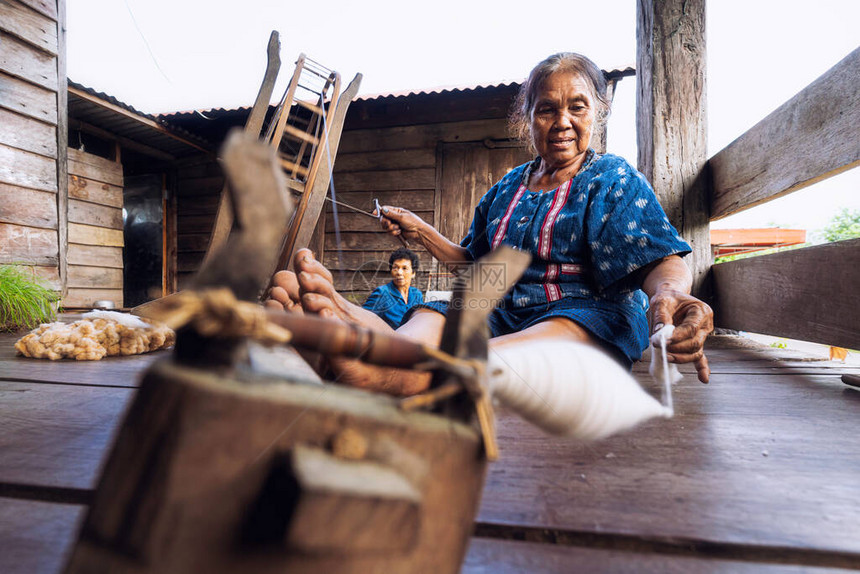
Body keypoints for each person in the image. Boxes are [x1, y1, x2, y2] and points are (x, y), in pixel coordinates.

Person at [268, 52, 713, 397]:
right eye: (546, 110)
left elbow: (659, 258)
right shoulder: (508, 189)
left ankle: (414, 374)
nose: (562, 122)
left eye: (576, 107)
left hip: (584, 312)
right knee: (448, 310)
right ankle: (385, 348)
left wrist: (670, 293)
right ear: (528, 118)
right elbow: (475, 263)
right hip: (500, 309)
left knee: (564, 330)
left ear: (598, 111)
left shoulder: (612, 178)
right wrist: (419, 229)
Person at [361, 247, 424, 328]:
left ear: (413, 273)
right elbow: (363, 318)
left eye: (404, 268)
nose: (399, 273)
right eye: (395, 268)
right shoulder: (382, 293)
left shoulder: (417, 295)